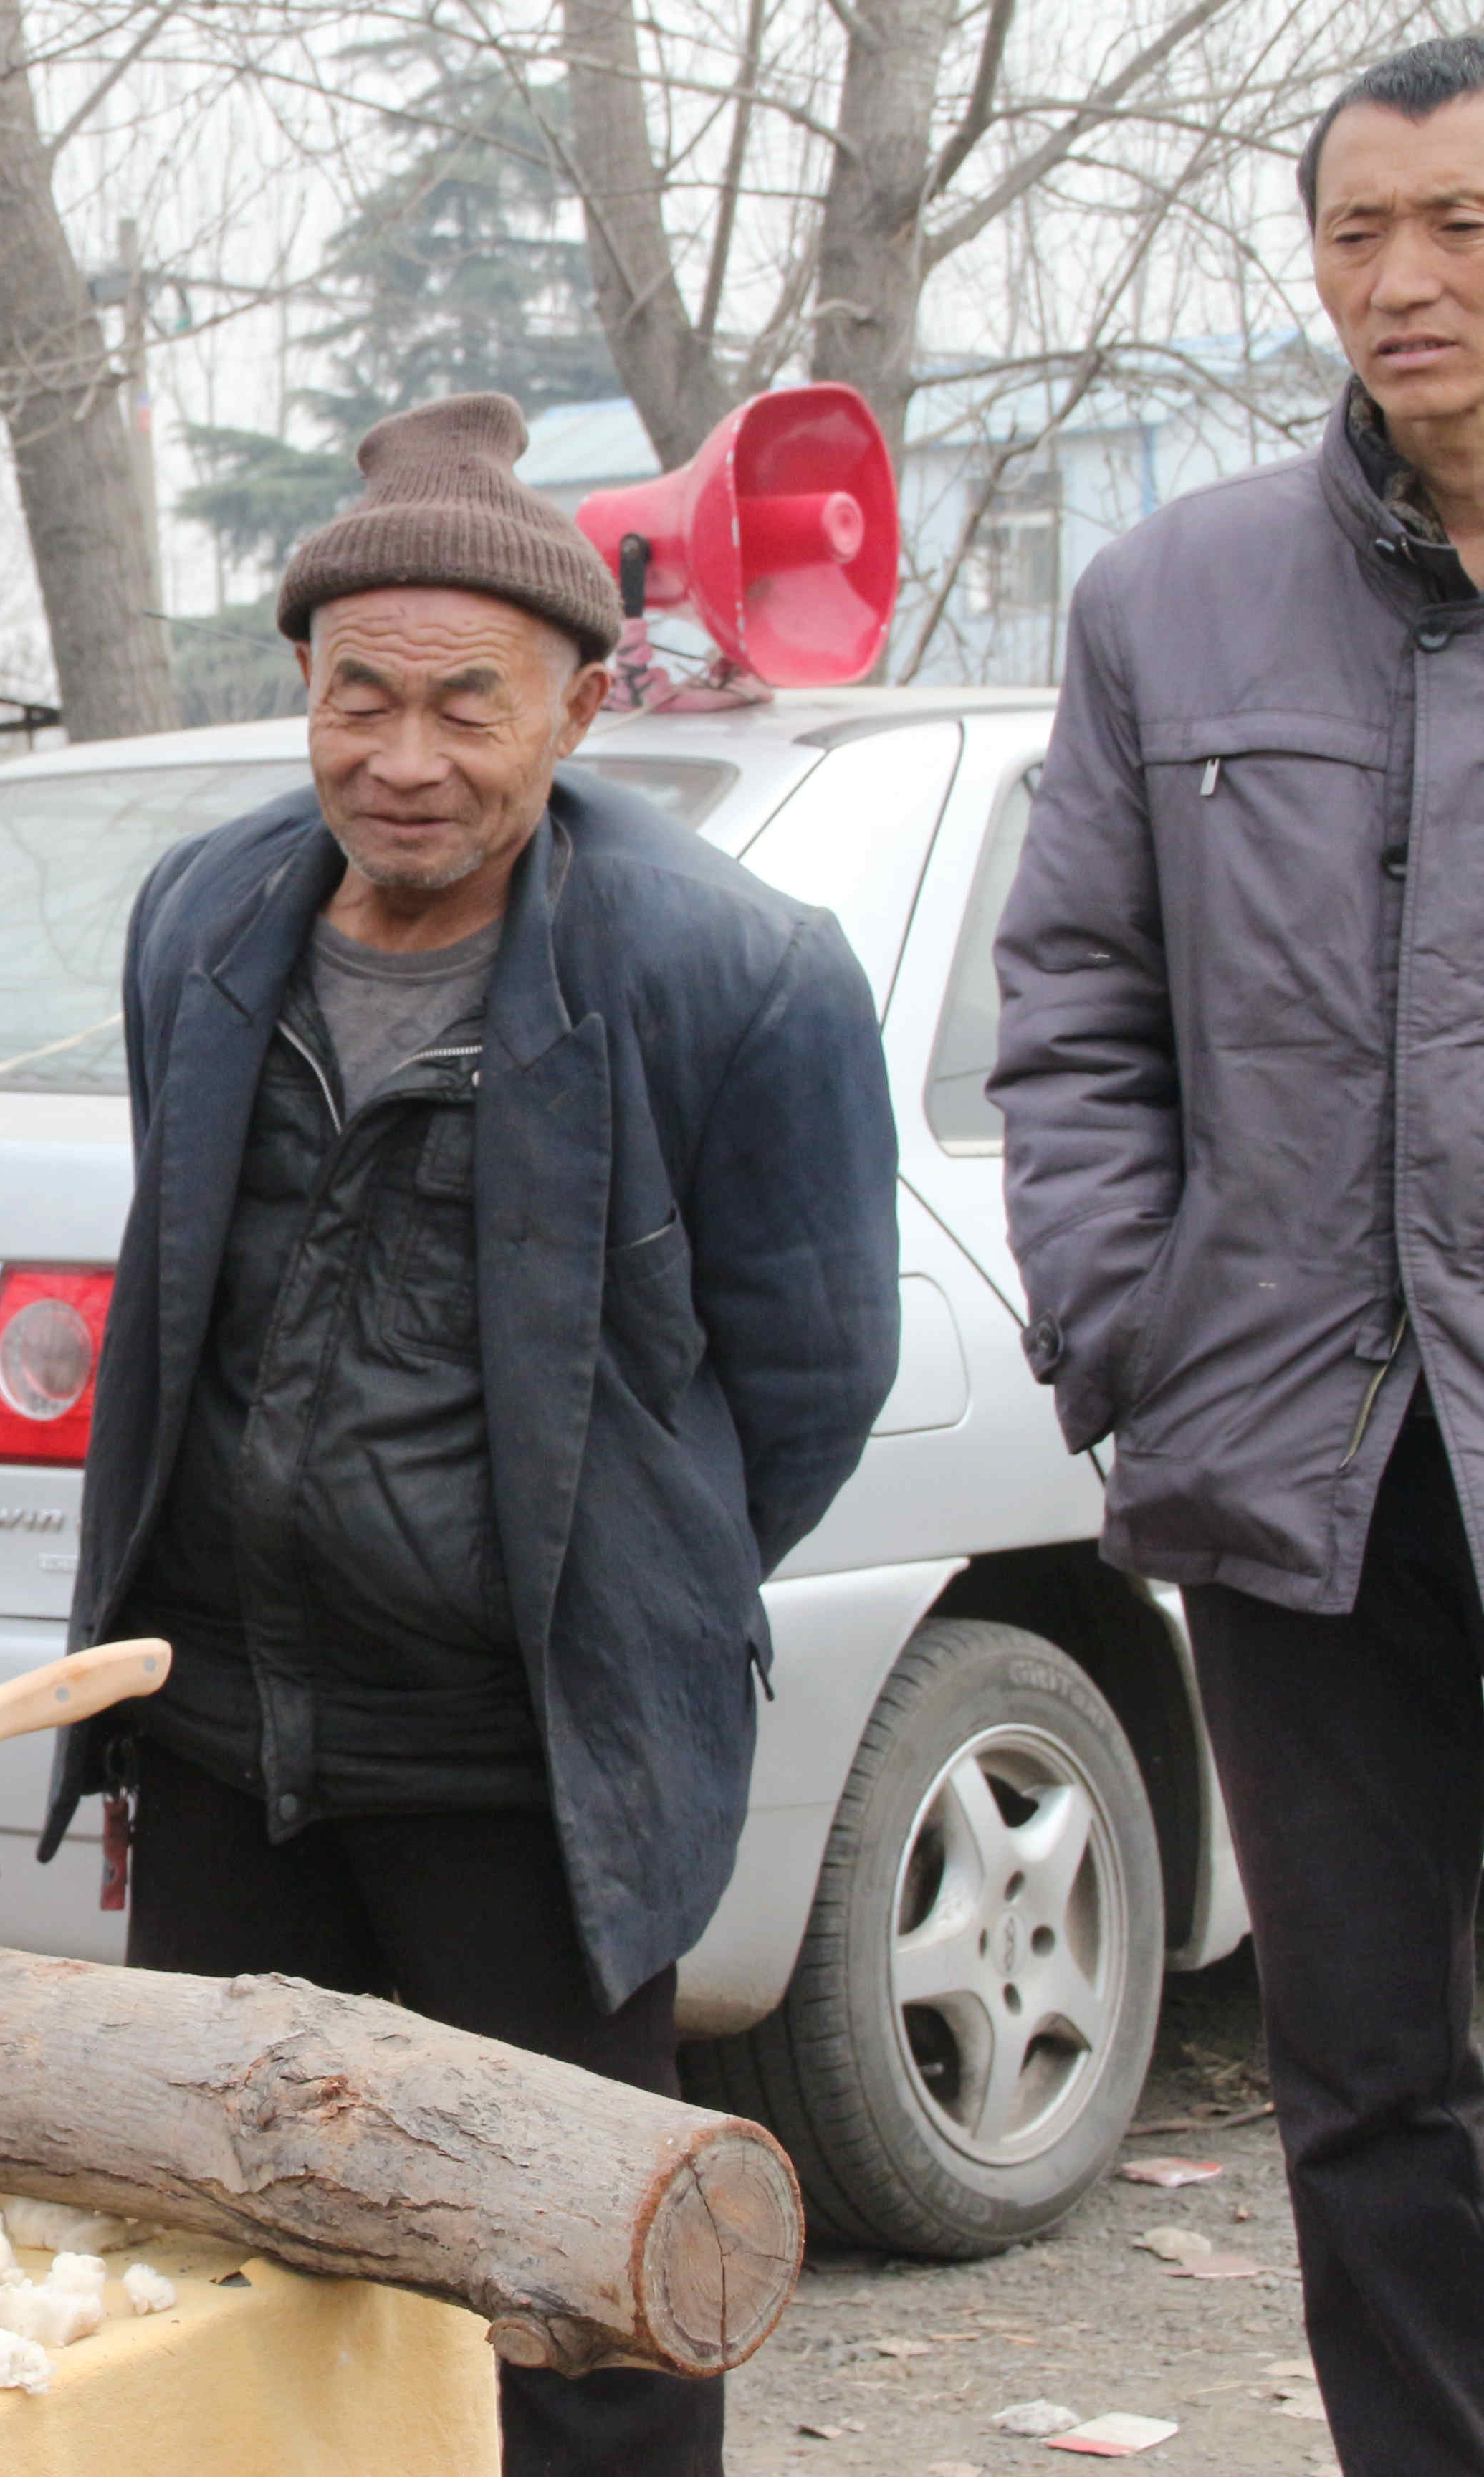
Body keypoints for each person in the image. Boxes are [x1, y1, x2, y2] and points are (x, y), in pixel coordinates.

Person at [37, 396, 896, 2476]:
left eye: (467, 710)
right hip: (233, 1743)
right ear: (304, 690)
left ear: (582, 708)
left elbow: (809, 1379)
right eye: (358, 700)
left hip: (527, 1772)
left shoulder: (732, 974)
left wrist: (615, 1581)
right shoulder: (206, 926)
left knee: (579, 2326)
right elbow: (187, 1295)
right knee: (242, 2301)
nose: (403, 761)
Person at [990, 37, 1484, 2466]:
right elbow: (1072, 1000)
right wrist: (1126, 1332)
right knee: (1367, 2065)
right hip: (1304, 1457)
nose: (1399, 284)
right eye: (1354, 233)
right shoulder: (1172, 599)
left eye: (1461, 229)